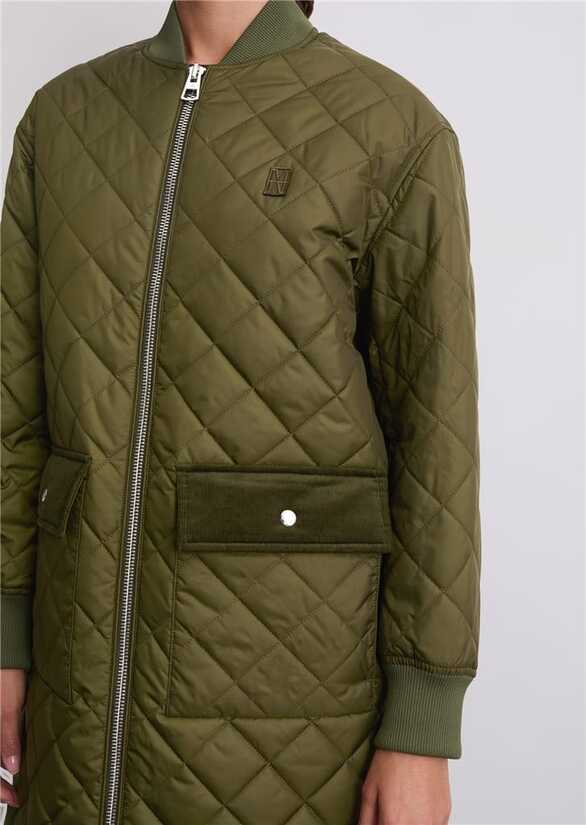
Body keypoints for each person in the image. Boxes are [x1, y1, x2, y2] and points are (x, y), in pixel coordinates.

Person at [0, 1, 481, 823]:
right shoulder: (64, 118)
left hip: (294, 710)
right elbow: (16, 412)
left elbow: (437, 447)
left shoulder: (392, 130)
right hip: (73, 689)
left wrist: (422, 727)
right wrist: (6, 639)